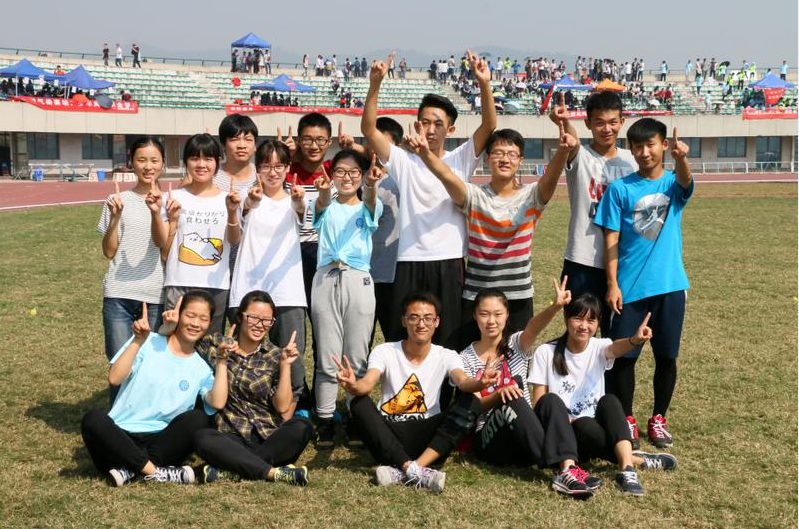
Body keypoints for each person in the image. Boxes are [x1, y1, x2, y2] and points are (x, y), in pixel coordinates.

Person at [361, 50, 497, 348]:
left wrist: (484, 85)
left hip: (449, 260)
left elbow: (488, 126)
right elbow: (369, 130)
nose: (430, 129)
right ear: (416, 125)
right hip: (409, 259)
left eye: (438, 124)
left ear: (450, 129)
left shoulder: (460, 159)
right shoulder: (403, 161)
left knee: (449, 337)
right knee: (405, 338)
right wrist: (375, 84)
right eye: (424, 122)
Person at [406, 126, 574, 352]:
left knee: (515, 360)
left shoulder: (532, 196)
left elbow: (551, 176)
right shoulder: (473, 196)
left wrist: (562, 151)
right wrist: (426, 153)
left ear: (520, 160)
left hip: (518, 294)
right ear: (487, 159)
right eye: (498, 153)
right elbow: (446, 175)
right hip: (477, 295)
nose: (505, 159)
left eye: (512, 154)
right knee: (470, 359)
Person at [594, 118, 693, 450]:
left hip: (670, 286)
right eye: (638, 146)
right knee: (624, 358)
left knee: (667, 357)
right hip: (629, 289)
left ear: (664, 145)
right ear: (632, 149)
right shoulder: (620, 190)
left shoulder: (672, 184)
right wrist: (612, 284)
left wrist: (682, 159)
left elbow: (685, 181)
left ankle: (659, 418)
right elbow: (611, 239)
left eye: (651, 145)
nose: (644, 152)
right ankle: (627, 418)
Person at [334, 292, 491, 493]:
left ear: (436, 322)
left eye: (427, 318)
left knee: (472, 400)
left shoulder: (447, 355)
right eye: (414, 318)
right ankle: (414, 469)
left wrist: (479, 384)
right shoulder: (385, 351)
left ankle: (406, 470)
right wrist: (352, 386)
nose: (421, 324)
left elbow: (463, 381)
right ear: (404, 321)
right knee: (358, 403)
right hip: (389, 435)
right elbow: (367, 383)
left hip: (430, 439)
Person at [461, 281, 604, 497]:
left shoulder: (515, 345)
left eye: (498, 314)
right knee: (513, 397)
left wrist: (555, 307)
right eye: (484, 314)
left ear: (507, 315)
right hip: (491, 442)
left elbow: (533, 327)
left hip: (526, 438)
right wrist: (499, 395)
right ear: (475, 316)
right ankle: (561, 469)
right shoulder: (465, 358)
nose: (491, 321)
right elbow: (476, 407)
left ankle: (568, 468)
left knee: (550, 399)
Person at [529, 293, 678, 496]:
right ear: (566, 318)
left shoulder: (599, 347)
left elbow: (615, 348)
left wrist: (634, 340)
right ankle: (635, 458)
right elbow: (540, 402)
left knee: (609, 401)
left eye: (591, 320)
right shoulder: (545, 352)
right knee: (558, 405)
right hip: (563, 434)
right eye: (578, 318)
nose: (584, 326)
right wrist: (563, 421)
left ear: (598, 323)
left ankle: (627, 470)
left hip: (591, 431)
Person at [80, 290, 230, 486]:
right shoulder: (148, 341)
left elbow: (217, 402)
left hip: (160, 443)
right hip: (119, 438)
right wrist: (137, 341)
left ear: (209, 324)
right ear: (178, 315)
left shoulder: (201, 368)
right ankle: (155, 472)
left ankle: (130, 469)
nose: (195, 323)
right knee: (93, 419)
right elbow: (115, 378)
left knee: (198, 419)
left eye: (203, 319)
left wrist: (222, 361)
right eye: (190, 315)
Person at [187, 291, 313, 486]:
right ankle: (273, 472)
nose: (260, 325)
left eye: (266, 320)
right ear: (239, 317)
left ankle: (234, 469)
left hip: (268, 436)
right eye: (253, 318)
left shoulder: (275, 355)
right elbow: (183, 338)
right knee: (202, 437)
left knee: (303, 426)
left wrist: (285, 366)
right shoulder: (217, 345)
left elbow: (282, 407)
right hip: (230, 435)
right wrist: (169, 325)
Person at [228, 140, 308, 417]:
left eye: (278, 166)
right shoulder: (243, 196)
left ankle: (285, 419)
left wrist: (298, 201)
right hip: (247, 290)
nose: (272, 172)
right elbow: (242, 215)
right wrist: (249, 203)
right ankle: (248, 414)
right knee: (246, 358)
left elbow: (300, 209)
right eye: (266, 166)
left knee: (291, 357)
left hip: (288, 292)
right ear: (257, 168)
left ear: (288, 168)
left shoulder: (295, 198)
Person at [549, 91, 638, 336]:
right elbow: (572, 142)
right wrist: (564, 122)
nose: (606, 129)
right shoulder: (581, 156)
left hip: (623, 261)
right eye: (599, 122)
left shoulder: (632, 161)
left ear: (622, 122)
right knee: (579, 333)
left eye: (612, 122)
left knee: (615, 336)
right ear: (588, 123)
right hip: (582, 260)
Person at [310, 149, 382, 449]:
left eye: (354, 172)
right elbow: (321, 205)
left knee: (356, 354)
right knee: (327, 354)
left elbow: (371, 201)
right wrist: (323, 192)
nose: (347, 177)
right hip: (326, 277)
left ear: (362, 176)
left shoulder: (368, 206)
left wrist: (372, 186)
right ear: (332, 175)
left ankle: (356, 416)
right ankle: (325, 419)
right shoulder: (325, 204)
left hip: (358, 279)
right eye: (340, 171)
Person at [97, 137, 167, 404]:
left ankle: (146, 419)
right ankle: (118, 419)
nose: (148, 166)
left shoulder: (170, 201)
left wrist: (158, 212)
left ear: (163, 163)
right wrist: (115, 218)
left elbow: (164, 248)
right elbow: (108, 252)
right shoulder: (117, 200)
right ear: (132, 163)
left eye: (154, 160)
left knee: (151, 364)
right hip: (119, 293)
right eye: (141, 160)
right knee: (119, 362)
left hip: (155, 294)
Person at [150, 134, 242, 335]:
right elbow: (161, 244)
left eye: (208, 159)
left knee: (209, 345)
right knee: (174, 342)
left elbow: (234, 239)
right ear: (186, 162)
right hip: (179, 282)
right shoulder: (172, 198)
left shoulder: (229, 199)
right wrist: (157, 213)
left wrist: (232, 212)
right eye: (194, 158)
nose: (201, 164)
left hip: (216, 285)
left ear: (218, 162)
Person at [368, 117, 403, 346]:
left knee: (397, 341)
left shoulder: (403, 180)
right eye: (373, 144)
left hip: (394, 275)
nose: (377, 150)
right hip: (364, 274)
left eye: (384, 145)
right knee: (360, 343)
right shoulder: (358, 178)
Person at [212, 114, 258, 278]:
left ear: (255, 145)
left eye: (248, 139)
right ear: (223, 145)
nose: (241, 145)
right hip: (215, 266)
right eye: (234, 139)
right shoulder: (211, 176)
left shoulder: (263, 177)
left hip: (253, 267)